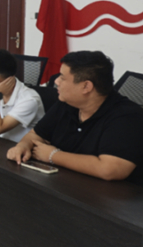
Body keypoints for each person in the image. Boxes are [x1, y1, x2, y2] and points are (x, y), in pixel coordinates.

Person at [7, 51, 143, 185]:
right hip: (63, 184)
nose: (56, 81)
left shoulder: (127, 115)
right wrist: (23, 146)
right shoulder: (67, 103)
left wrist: (53, 155)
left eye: (62, 77)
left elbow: (110, 170)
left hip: (110, 195)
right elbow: (36, 134)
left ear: (86, 86)